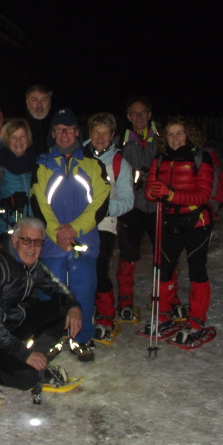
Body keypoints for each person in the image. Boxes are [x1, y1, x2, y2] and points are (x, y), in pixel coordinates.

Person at [0, 217, 82, 392]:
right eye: (26, 240)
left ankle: (36, 360)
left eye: (38, 242)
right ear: (15, 240)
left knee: (63, 309)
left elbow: (55, 286)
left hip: (13, 326)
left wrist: (73, 306)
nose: (32, 247)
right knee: (27, 379)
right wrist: (23, 353)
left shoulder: (33, 265)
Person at [30, 107, 110, 361]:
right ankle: (50, 339)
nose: (63, 134)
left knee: (83, 290)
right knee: (50, 293)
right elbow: (38, 204)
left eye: (68, 129)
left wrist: (74, 229)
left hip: (82, 241)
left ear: (77, 131)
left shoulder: (93, 165)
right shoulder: (42, 165)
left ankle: (82, 338)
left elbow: (101, 201)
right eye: (58, 130)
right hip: (53, 244)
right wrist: (57, 234)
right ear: (53, 134)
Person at [144, 116, 216, 345]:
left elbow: (203, 194)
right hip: (170, 221)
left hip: (197, 221)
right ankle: (163, 313)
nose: (175, 139)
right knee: (164, 267)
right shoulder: (160, 159)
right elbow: (149, 190)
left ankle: (196, 320)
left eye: (180, 133)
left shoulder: (200, 157)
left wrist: (172, 195)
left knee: (197, 269)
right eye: (171, 134)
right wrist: (152, 193)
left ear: (189, 135)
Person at [82, 113, 134, 340]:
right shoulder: (77, 155)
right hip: (76, 223)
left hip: (104, 224)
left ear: (112, 135)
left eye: (105, 133)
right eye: (96, 132)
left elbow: (127, 201)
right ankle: (81, 312)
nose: (100, 137)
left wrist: (102, 209)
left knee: (99, 266)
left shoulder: (119, 163)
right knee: (77, 269)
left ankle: (105, 313)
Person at [116, 96, 160, 321]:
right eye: (134, 113)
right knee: (129, 254)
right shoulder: (121, 141)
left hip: (158, 206)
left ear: (150, 114)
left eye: (143, 112)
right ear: (128, 116)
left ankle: (165, 300)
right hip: (131, 207)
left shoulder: (161, 138)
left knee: (163, 255)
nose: (139, 117)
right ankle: (125, 301)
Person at [0, 118, 37, 234]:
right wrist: (7, 203)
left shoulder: (36, 164)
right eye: (13, 137)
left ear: (28, 138)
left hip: (33, 228)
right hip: (7, 228)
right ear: (7, 140)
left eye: (22, 136)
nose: (18, 141)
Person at [25, 85, 54, 155]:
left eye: (44, 100)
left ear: (50, 103)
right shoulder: (20, 128)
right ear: (28, 104)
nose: (39, 105)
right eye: (34, 100)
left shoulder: (59, 127)